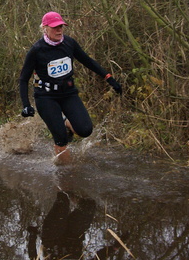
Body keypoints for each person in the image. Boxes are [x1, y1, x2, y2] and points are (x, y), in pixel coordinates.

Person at [18, 11, 122, 164]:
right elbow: (23, 79)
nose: (59, 30)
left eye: (61, 26)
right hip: (46, 97)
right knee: (61, 138)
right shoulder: (37, 50)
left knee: (85, 130)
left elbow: (88, 62)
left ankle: (65, 122)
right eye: (55, 27)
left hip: (68, 94)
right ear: (45, 28)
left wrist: (109, 78)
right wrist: (26, 105)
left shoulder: (69, 43)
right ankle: (66, 175)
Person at [26, 191, 122, 260]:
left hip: (52, 237)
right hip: (74, 237)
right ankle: (75, 193)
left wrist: (32, 235)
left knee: (63, 201)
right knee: (89, 205)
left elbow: (34, 258)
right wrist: (114, 248)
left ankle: (61, 182)